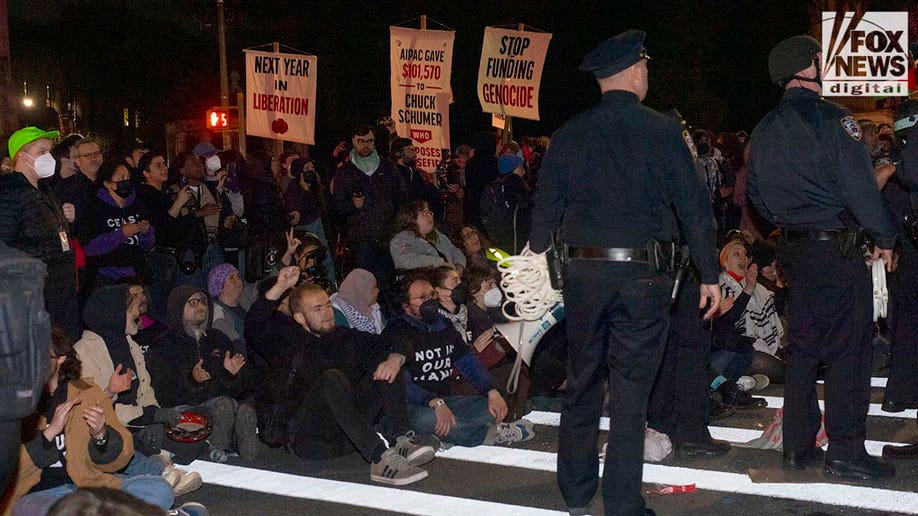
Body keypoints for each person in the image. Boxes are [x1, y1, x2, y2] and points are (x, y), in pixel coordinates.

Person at [528, 30, 720, 516]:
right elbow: (695, 210)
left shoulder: (569, 133)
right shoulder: (662, 130)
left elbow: (544, 207)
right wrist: (711, 272)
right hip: (643, 279)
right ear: (636, 71)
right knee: (632, 391)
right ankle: (621, 501)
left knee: (583, 378)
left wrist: (534, 255)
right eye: (646, 66)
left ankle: (574, 490)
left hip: (583, 276)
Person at [746, 35, 897, 480]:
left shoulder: (765, 128)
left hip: (794, 249)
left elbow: (756, 195)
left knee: (804, 350)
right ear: (808, 67)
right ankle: (846, 450)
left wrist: (791, 222)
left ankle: (797, 445)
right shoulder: (834, 121)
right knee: (848, 352)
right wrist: (884, 234)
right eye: (819, 59)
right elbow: (860, 189)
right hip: (835, 249)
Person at [252, 267, 435, 485]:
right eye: (317, 309)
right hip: (308, 439)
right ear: (300, 317)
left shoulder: (344, 337)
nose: (327, 312)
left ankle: (401, 440)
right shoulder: (288, 341)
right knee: (333, 379)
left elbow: (395, 341)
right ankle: (379, 459)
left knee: (388, 362)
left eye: (328, 305)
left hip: (348, 439)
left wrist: (396, 357)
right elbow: (255, 325)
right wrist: (280, 287)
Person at [4, 328, 174, 515]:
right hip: (41, 494)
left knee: (159, 490)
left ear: (60, 358)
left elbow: (119, 459)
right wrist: (49, 433)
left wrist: (101, 435)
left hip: (90, 486)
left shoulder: (86, 391)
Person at [74, 285, 202, 497]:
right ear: (112, 313)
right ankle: (159, 472)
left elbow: (145, 389)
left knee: (191, 428)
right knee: (122, 440)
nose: (137, 313)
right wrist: (148, 416)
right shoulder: (84, 353)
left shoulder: (130, 345)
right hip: (109, 426)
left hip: (139, 421)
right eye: (131, 309)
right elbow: (96, 411)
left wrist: (155, 414)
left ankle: (157, 461)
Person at [382, 273, 533, 448]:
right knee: (425, 419)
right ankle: (489, 434)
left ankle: (448, 434)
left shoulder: (443, 325)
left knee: (492, 408)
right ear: (405, 305)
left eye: (432, 295)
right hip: (414, 406)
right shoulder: (397, 331)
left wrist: (491, 391)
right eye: (422, 297)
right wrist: (435, 403)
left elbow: (468, 363)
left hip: (447, 400)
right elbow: (402, 385)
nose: (430, 301)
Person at [145, 286, 259, 463]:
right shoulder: (163, 345)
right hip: (185, 408)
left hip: (219, 404)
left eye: (204, 302)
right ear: (178, 307)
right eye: (193, 302)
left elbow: (236, 389)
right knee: (224, 406)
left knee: (229, 404)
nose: (201, 307)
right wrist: (192, 380)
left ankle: (229, 442)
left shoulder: (218, 338)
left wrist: (231, 375)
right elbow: (163, 394)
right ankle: (226, 443)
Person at [0, 127, 80, 341]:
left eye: (49, 151)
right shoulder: (10, 193)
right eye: (42, 151)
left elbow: (49, 236)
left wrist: (65, 220)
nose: (49, 157)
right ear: (22, 156)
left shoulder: (43, 189)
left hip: (58, 289)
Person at [331, 124, 408, 289]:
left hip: (387, 236)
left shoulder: (387, 166)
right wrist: (353, 206)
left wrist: (397, 227)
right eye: (361, 141)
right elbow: (337, 206)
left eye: (369, 141)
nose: (365, 145)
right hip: (361, 240)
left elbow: (401, 198)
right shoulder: (345, 172)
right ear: (353, 141)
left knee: (390, 283)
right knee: (369, 285)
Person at [79, 162, 154, 292]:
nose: (126, 181)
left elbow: (147, 245)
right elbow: (89, 248)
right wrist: (121, 234)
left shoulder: (137, 205)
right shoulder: (95, 209)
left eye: (127, 177)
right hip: (106, 276)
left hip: (136, 274)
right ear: (108, 184)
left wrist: (146, 232)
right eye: (121, 178)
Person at [389, 200, 466, 272]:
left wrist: (459, 265)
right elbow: (408, 260)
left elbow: (454, 250)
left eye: (430, 213)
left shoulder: (437, 235)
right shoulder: (401, 239)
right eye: (425, 213)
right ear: (411, 218)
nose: (430, 216)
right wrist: (441, 263)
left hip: (450, 278)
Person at [207, 264, 248, 353]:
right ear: (219, 286)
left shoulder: (244, 301)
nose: (238, 280)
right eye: (231, 278)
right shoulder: (217, 313)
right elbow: (234, 344)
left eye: (238, 276)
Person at [331, 268, 384, 333]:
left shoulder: (373, 307)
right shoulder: (338, 314)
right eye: (374, 288)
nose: (378, 291)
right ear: (361, 291)